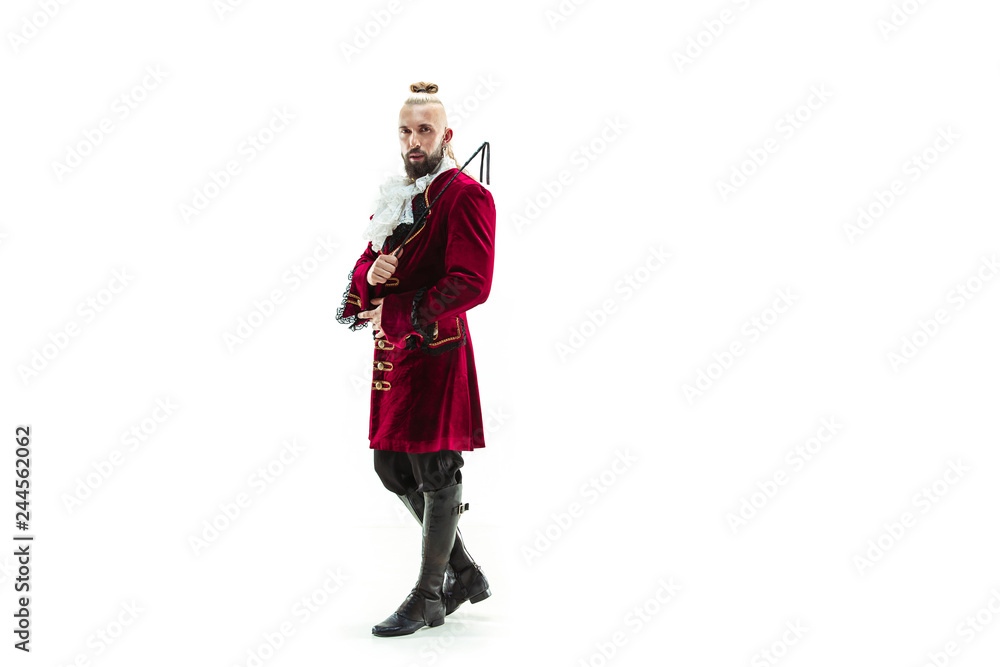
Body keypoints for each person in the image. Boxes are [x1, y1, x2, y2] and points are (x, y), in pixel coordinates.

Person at [335, 81, 495, 637]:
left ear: (446, 136)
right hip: (392, 361)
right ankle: (465, 574)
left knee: (434, 467)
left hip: (435, 353)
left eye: (424, 129)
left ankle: (429, 596)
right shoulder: (400, 196)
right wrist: (369, 277)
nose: (413, 140)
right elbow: (365, 265)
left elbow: (472, 282)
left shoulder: (466, 196)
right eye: (405, 130)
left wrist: (402, 309)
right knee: (390, 466)